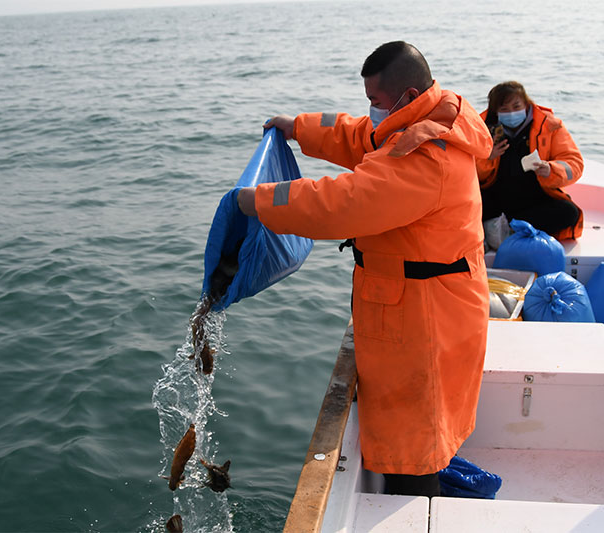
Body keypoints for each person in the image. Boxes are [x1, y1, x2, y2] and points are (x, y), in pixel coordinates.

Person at [236, 41, 491, 497]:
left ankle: (420, 509)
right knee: (419, 429)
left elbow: (344, 203)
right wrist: (299, 127)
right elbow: (361, 136)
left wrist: (259, 201)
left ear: (407, 95)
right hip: (424, 302)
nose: (370, 110)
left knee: (415, 445)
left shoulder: (426, 155)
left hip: (427, 318)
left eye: (375, 100)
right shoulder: (424, 115)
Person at [477, 81, 584, 241]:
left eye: (516, 106)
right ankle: (504, 230)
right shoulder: (480, 129)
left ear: (526, 104)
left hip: (534, 197)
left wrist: (551, 169)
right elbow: (465, 173)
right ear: (495, 111)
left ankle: (506, 230)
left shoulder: (549, 126)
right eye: (504, 109)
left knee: (568, 212)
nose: (511, 113)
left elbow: (573, 162)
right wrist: (486, 157)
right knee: (463, 204)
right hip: (495, 196)